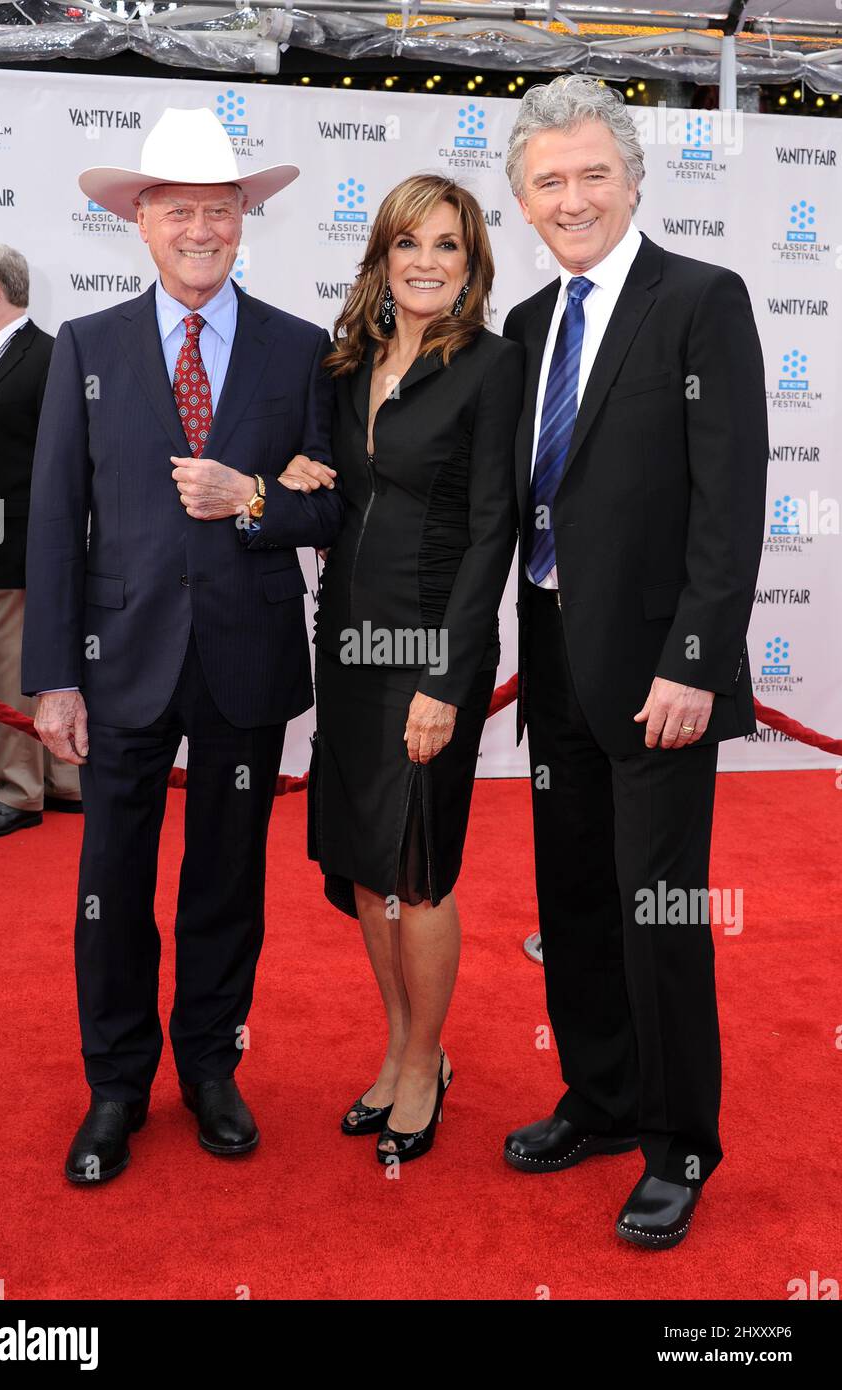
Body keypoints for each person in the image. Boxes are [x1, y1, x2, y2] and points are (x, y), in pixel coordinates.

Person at [21, 108, 343, 1184]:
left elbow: (331, 509)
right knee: (110, 878)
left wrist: (253, 499)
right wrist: (56, 674)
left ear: (243, 222)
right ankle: (116, 1083)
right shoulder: (88, 348)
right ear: (141, 222)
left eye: (220, 211)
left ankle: (210, 1065)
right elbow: (57, 519)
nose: (201, 230)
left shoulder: (303, 350)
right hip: (119, 663)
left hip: (244, 658)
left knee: (225, 878)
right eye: (179, 212)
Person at [501, 76, 768, 1248]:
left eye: (592, 174)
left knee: (660, 910)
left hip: (664, 671)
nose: (574, 198)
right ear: (523, 198)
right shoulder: (525, 324)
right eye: (549, 181)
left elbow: (732, 501)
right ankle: (602, 1099)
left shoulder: (701, 300)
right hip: (552, 656)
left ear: (633, 179)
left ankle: (678, 1142)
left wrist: (695, 661)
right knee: (577, 899)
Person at [280, 175, 523, 1165]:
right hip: (344, 642)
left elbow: (491, 527)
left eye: (449, 246)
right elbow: (336, 497)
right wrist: (293, 473)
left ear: (471, 266)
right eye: (409, 242)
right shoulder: (346, 365)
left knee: (416, 872)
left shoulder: (492, 367)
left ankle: (425, 1060)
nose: (426, 261)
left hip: (430, 646)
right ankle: (397, 1044)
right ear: (381, 253)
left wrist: (445, 678)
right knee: (364, 868)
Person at [0, 245, 81, 838]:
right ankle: (59, 782)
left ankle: (20, 793)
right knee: (27, 668)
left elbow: (64, 464)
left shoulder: (46, 358)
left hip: (26, 550)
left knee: (17, 670)